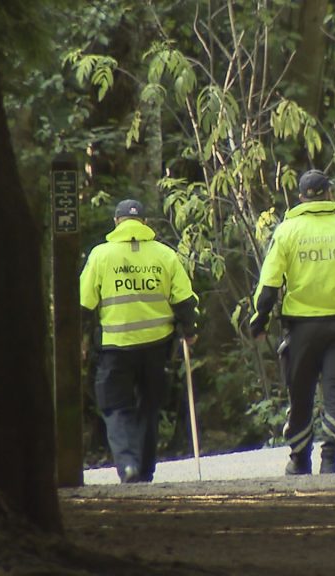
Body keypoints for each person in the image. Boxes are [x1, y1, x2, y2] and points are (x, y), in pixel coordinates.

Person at [250, 169, 335, 475]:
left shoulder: (287, 231)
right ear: (330, 194)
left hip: (302, 328)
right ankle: (330, 457)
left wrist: (260, 320)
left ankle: (299, 457)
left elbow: (269, 286)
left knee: (301, 391)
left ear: (300, 197)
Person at [80, 199, 198, 483]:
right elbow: (184, 299)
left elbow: (83, 304)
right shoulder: (165, 255)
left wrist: (79, 340)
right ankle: (144, 470)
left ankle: (128, 465)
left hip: (115, 346)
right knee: (149, 406)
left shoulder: (101, 255)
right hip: (157, 346)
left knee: (115, 405)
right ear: (145, 223)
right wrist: (189, 330)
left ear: (117, 222)